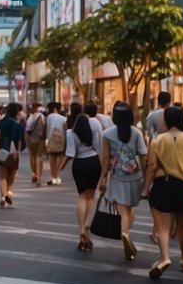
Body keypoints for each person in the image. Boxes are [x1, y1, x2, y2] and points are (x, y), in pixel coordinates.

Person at [145, 106, 183, 278]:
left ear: (167, 120)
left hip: (163, 184)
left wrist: (145, 187)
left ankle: (164, 258)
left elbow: (152, 166)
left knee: (163, 227)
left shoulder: (157, 141)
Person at [98, 103, 147, 262]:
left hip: (117, 177)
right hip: (135, 176)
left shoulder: (107, 134)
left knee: (122, 211)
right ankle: (126, 233)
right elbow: (143, 157)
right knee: (130, 210)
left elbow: (106, 158)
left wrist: (103, 178)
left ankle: (124, 233)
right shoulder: (137, 133)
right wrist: (146, 180)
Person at [65, 113, 102, 252]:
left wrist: (59, 167)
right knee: (91, 196)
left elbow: (70, 153)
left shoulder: (71, 133)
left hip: (79, 163)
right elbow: (99, 149)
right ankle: (87, 224)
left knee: (81, 196)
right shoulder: (93, 131)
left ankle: (81, 230)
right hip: (94, 162)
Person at [0, 102, 24, 207]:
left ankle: (3, 197)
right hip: (14, 153)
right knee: (11, 179)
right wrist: (18, 154)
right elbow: (19, 141)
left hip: (2, 151)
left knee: (2, 177)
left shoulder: (1, 122)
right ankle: (9, 194)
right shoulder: (19, 125)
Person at [24, 103, 46, 184]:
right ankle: (39, 177)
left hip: (30, 139)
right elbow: (44, 128)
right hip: (40, 139)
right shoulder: (42, 117)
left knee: (32, 156)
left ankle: (34, 174)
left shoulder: (30, 117)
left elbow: (26, 129)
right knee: (38, 156)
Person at [45, 102, 67, 185]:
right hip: (61, 140)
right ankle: (56, 176)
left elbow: (49, 129)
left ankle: (53, 177)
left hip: (51, 139)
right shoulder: (64, 118)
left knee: (52, 159)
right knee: (60, 159)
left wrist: (47, 141)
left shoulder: (49, 117)